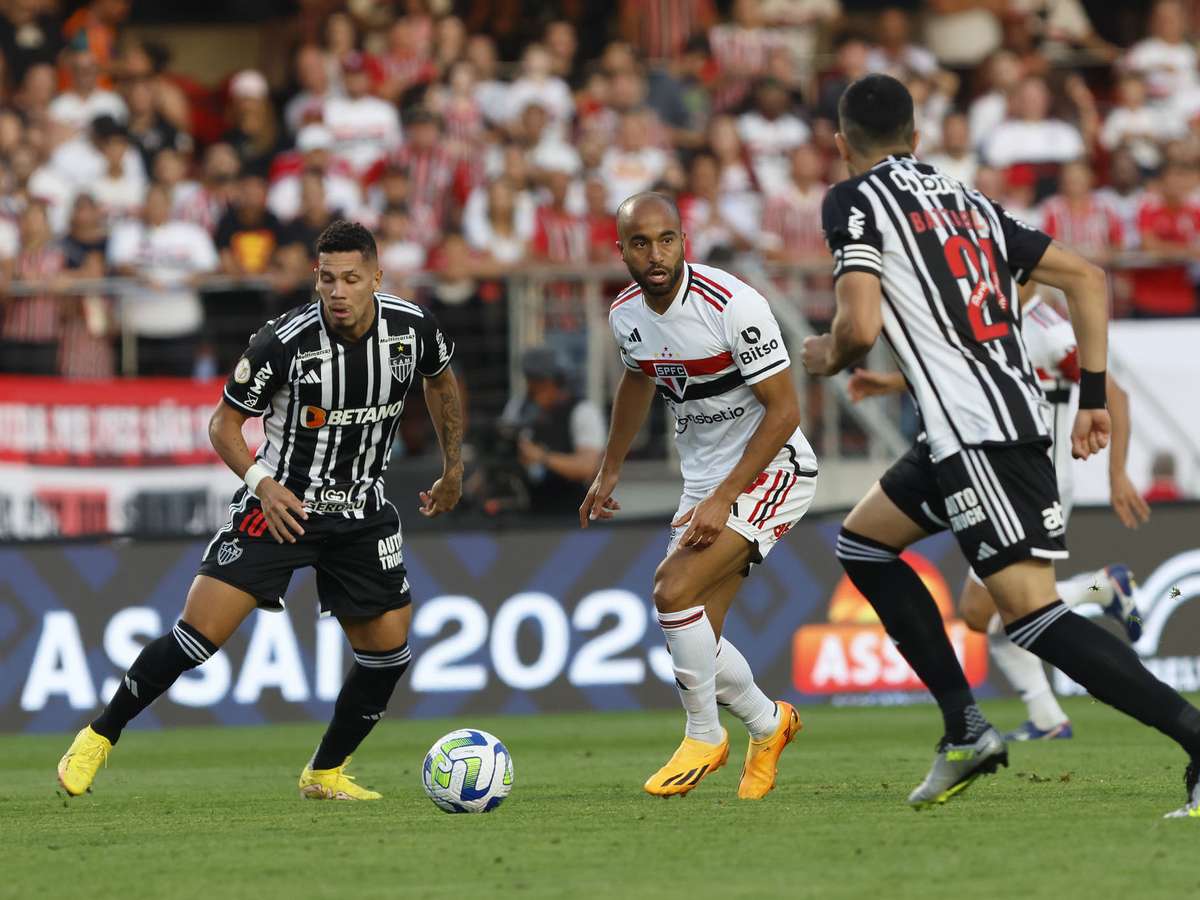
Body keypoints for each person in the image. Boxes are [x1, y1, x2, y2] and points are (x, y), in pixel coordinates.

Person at [803, 73, 1200, 818]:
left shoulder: (853, 200)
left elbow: (857, 329)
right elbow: (1086, 276)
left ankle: (1198, 741)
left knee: (1031, 616)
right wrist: (1089, 395)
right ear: (917, 139)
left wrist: (826, 352)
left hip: (976, 434)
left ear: (841, 143)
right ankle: (966, 730)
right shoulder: (969, 202)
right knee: (861, 544)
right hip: (985, 422)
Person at [57, 220, 464, 801]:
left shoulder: (412, 328)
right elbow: (223, 424)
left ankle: (324, 772)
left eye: (352, 279)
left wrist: (454, 467)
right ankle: (100, 734)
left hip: (361, 511)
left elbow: (441, 383)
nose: (339, 291)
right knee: (197, 636)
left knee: (387, 655)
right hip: (280, 507)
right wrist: (261, 481)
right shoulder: (283, 341)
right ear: (315, 279)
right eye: (327, 279)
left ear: (377, 277)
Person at [581, 191, 818, 800]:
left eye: (666, 239)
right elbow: (637, 382)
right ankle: (770, 726)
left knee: (671, 589)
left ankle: (704, 735)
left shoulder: (734, 304)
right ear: (623, 251)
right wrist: (610, 470)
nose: (655, 254)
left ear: (684, 239)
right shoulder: (626, 314)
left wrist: (723, 499)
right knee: (698, 644)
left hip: (772, 469)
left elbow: (785, 410)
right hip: (704, 480)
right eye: (641, 243)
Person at [847, 281, 1150, 742]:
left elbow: (1115, 395)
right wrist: (889, 383)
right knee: (989, 618)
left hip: (1031, 484)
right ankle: (1050, 716)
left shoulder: (1046, 329)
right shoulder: (993, 320)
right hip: (996, 477)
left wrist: (1117, 475)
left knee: (999, 612)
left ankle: (1101, 591)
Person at [499, 347, 604, 516]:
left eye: (541, 382)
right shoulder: (519, 408)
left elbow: (587, 467)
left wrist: (542, 457)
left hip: (572, 511)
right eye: (532, 381)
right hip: (528, 507)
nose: (534, 389)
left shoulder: (582, 411)